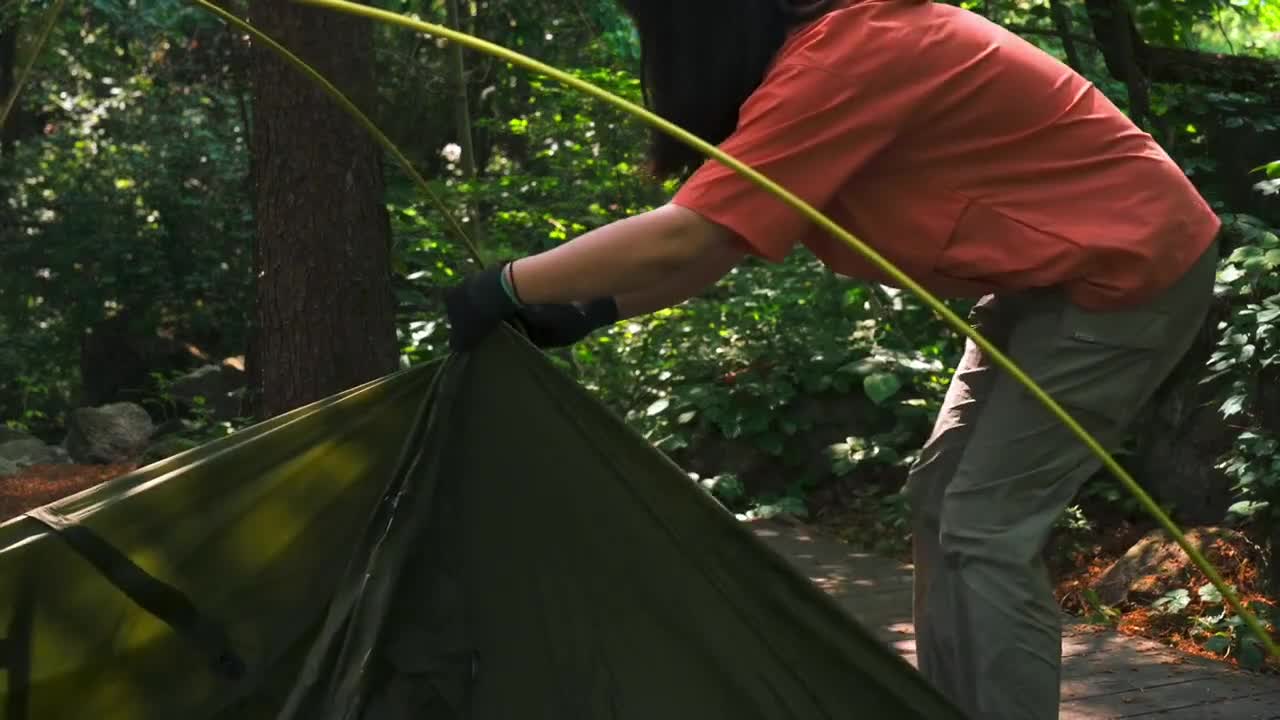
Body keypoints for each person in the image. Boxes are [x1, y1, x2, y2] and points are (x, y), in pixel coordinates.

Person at [444, 0, 1221, 718]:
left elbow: (690, 234)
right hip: (1052, 276)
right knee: (937, 501)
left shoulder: (853, 51)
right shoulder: (826, 53)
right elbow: (718, 243)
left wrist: (505, 286)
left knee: (985, 526)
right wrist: (589, 308)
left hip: (1126, 272)